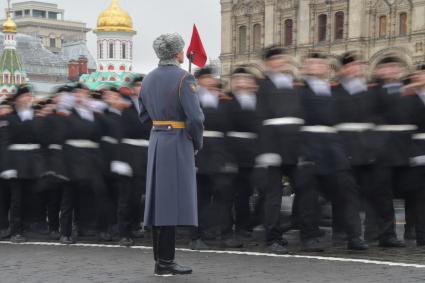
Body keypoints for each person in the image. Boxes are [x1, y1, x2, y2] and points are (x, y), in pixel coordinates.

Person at [139, 33, 204, 276]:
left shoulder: (147, 79)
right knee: (169, 203)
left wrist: (159, 127)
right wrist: (196, 141)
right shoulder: (184, 78)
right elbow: (195, 117)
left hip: (157, 140)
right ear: (178, 54)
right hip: (177, 141)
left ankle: (161, 261)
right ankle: (165, 262)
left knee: (158, 202)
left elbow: (143, 116)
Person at [295, 53, 368, 252]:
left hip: (334, 148)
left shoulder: (334, 91)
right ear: (306, 68)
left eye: (322, 64)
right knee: (308, 197)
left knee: (347, 192)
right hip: (309, 146)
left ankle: (354, 236)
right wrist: (301, 151)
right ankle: (309, 237)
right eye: (313, 63)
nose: (318, 66)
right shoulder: (299, 91)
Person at [255, 46, 303, 254]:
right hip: (274, 147)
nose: (281, 62)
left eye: (282, 58)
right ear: (268, 63)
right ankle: (272, 236)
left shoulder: (289, 84)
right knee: (273, 196)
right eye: (276, 59)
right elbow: (260, 119)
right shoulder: (263, 86)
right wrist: (267, 150)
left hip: (292, 147)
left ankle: (292, 228)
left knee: (304, 189)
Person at [190, 66, 242, 250]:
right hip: (199, 152)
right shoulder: (191, 100)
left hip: (221, 153)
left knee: (224, 195)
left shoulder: (224, 100)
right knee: (200, 197)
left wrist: (230, 157)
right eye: (207, 77)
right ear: (199, 80)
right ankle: (197, 235)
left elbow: (229, 129)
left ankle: (225, 233)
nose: (211, 80)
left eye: (212, 77)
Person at [366, 57, 408, 247]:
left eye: (394, 68)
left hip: (402, 150)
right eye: (387, 68)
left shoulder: (404, 92)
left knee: (404, 191)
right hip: (381, 150)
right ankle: (385, 234)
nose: (391, 71)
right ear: (379, 71)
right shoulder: (373, 92)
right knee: (383, 194)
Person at [3, 85, 46, 243]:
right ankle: (15, 231)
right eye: (25, 96)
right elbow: (5, 143)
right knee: (16, 199)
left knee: (31, 197)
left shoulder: (34, 116)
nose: (29, 98)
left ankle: (29, 226)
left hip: (32, 163)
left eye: (30, 96)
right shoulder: (9, 118)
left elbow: (41, 140)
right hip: (16, 162)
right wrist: (7, 166)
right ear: (18, 99)